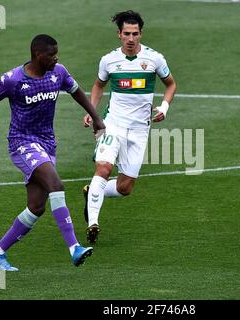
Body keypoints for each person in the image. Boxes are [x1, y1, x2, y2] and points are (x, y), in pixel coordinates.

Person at [0, 34, 105, 271]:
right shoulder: (12, 79)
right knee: (56, 185)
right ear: (37, 55)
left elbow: (76, 91)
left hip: (47, 144)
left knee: (36, 207)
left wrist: (95, 117)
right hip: (22, 143)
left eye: (57, 54)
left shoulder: (58, 73)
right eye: (52, 55)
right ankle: (74, 247)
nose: (56, 58)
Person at [82, 10, 177, 244]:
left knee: (125, 188)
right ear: (119, 34)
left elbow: (171, 84)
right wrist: (91, 112)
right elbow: (98, 86)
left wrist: (164, 107)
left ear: (141, 34)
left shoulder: (155, 59)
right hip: (112, 123)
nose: (131, 39)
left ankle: (92, 192)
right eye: (127, 34)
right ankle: (93, 223)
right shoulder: (109, 60)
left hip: (139, 129)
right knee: (103, 168)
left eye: (135, 34)